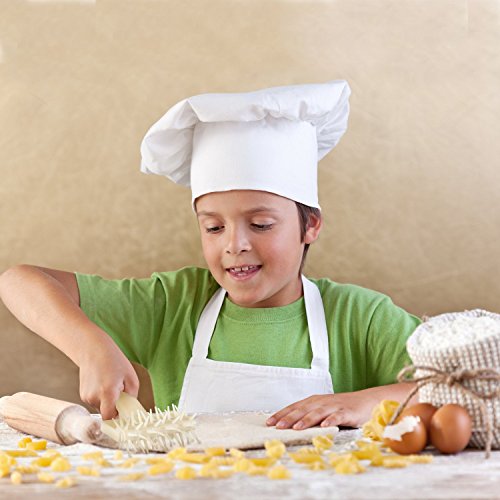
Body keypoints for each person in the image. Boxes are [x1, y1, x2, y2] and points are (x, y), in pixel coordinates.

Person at [0, 80, 420, 431]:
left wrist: (367, 402)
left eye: (260, 225)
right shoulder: (174, 304)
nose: (234, 244)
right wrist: (90, 346)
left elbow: (469, 385)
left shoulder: (359, 317)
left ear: (310, 226)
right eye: (213, 227)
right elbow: (18, 280)